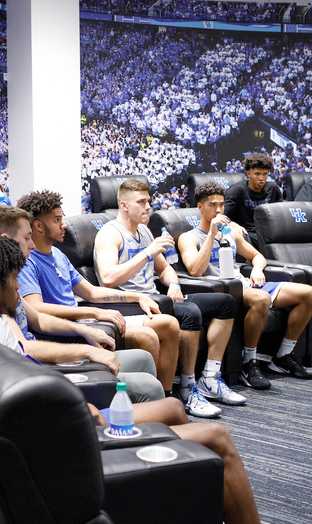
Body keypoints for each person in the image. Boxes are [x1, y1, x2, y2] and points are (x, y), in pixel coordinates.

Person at [0, 231, 266, 524]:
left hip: (56, 430)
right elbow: (30, 404)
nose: (18, 285)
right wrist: (88, 411)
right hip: (71, 442)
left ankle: (196, 502)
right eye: (14, 279)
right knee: (217, 437)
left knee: (172, 408)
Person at [0, 205, 165, 402]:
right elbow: (24, 347)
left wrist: (82, 330)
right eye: (27, 238)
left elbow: (39, 319)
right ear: (7, 241)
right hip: (35, 372)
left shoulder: (14, 278)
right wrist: (86, 348)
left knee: (143, 359)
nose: (32, 245)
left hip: (43, 359)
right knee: (151, 387)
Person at [93, 178, 241, 418]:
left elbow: (164, 268)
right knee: (190, 313)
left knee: (225, 303)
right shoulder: (109, 234)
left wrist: (173, 283)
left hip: (156, 298)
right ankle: (186, 388)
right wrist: (146, 254)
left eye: (148, 201)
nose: (148, 206)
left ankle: (210, 378)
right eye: (141, 202)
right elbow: (108, 277)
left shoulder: (143, 231)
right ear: (124, 205)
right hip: (128, 304)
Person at [177, 182, 312, 391]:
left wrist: (257, 269)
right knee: (260, 299)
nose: (218, 210)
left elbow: (257, 256)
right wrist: (211, 234)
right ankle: (248, 363)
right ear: (200, 207)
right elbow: (195, 270)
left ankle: (283, 356)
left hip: (245, 284)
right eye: (212, 205)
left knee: (309, 294)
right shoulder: (188, 238)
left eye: (222, 205)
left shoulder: (231, 233)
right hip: (224, 292)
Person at [223, 153, 284, 247]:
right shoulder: (237, 190)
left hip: (268, 233)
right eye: (257, 174)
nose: (261, 178)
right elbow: (222, 215)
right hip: (246, 234)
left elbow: (280, 214)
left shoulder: (273, 188)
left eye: (265, 174)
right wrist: (232, 224)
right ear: (248, 173)